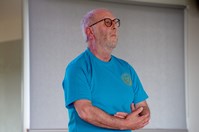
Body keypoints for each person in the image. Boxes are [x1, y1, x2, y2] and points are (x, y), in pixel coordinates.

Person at [62, 8, 150, 132]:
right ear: (90, 31)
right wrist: (124, 123)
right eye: (108, 22)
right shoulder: (77, 68)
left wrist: (138, 117)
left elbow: (143, 106)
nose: (114, 26)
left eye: (116, 22)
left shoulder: (126, 69)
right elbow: (86, 112)